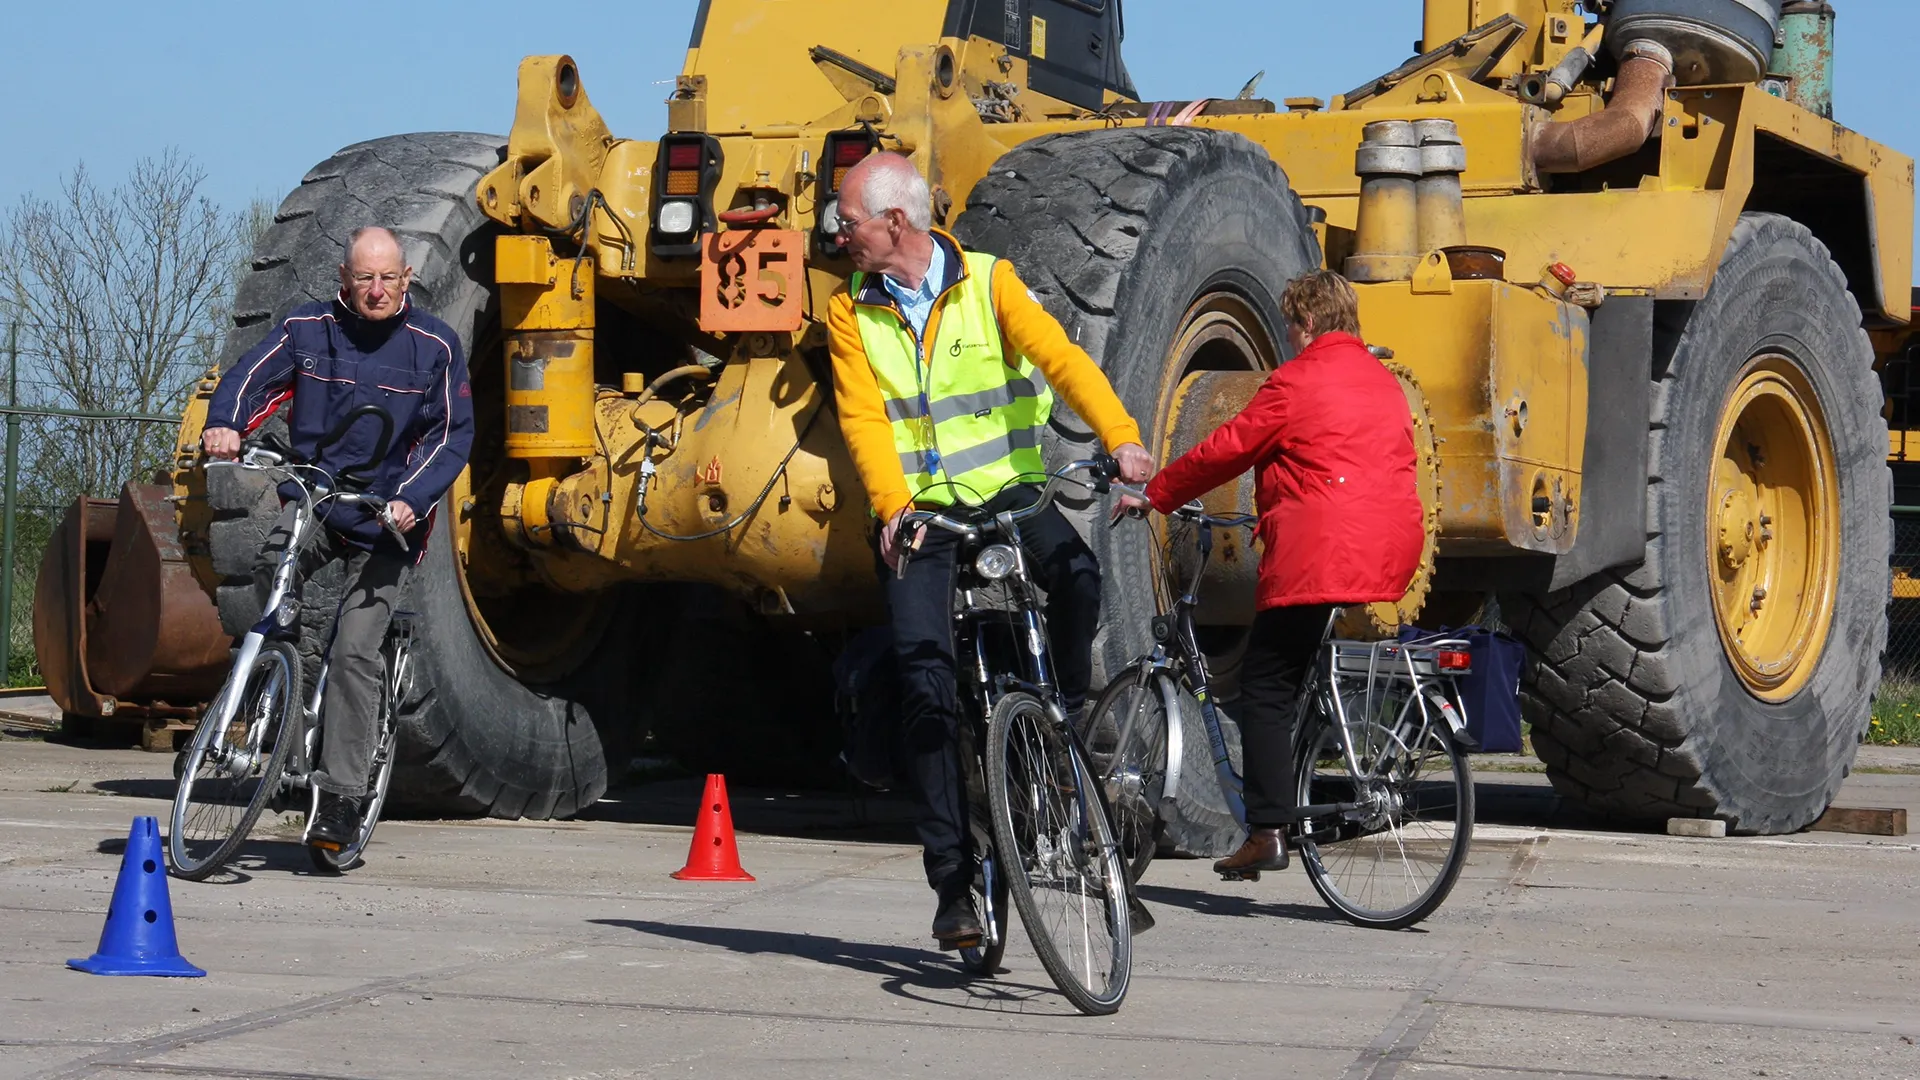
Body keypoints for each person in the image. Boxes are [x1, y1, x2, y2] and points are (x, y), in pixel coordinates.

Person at [825, 152, 1153, 947]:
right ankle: (954, 888)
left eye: (848, 221)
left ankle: (1060, 707)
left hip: (1009, 491)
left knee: (1076, 578)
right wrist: (895, 507)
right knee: (927, 689)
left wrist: (1123, 440)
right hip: (922, 517)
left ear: (894, 223)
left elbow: (1063, 361)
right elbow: (865, 420)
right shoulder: (850, 313)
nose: (838, 236)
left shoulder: (990, 282)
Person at [1139, 270, 1422, 876]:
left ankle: (1266, 830)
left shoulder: (1295, 381)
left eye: (1293, 325)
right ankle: (1310, 765)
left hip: (1318, 554)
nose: (1292, 337)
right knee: (1294, 674)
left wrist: (1157, 493)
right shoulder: (1385, 383)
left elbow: (1228, 448)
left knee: (1264, 691)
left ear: (1310, 323)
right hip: (1387, 547)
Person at [202, 226, 474, 852]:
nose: (376, 290)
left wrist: (412, 497)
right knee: (270, 580)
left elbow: (451, 436)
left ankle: (342, 800)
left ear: (407, 278)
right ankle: (281, 697)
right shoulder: (308, 328)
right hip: (319, 500)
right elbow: (252, 379)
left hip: (388, 520)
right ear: (344, 282)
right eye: (363, 279)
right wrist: (225, 426)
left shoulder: (434, 346)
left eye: (387, 278)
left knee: (353, 652)